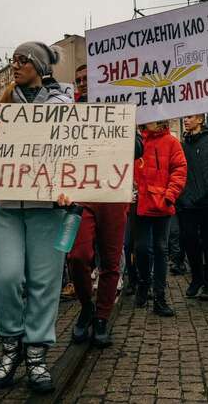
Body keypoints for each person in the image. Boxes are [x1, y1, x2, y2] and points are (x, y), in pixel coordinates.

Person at [0, 42, 72, 394]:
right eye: (12, 60)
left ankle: (35, 353)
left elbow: (76, 153)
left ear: (40, 66)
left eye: (22, 60)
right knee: (3, 275)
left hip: (48, 208)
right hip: (7, 206)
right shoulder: (5, 106)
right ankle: (11, 342)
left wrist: (70, 185)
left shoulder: (64, 104)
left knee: (44, 283)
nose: (14, 66)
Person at [69, 64, 142, 347]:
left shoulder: (120, 108)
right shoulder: (70, 111)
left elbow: (138, 149)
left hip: (113, 192)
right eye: (78, 79)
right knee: (77, 255)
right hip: (82, 191)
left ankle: (101, 318)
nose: (82, 83)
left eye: (86, 78)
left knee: (111, 261)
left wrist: (122, 130)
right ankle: (87, 307)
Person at [133, 120, 187, 316]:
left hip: (161, 203)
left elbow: (179, 170)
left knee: (160, 248)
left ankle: (159, 296)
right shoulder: (135, 141)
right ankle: (144, 282)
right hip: (139, 202)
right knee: (141, 248)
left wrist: (169, 196)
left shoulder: (171, 142)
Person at [177, 113, 208, 300]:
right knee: (189, 241)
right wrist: (181, 195)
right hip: (187, 203)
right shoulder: (182, 146)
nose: (186, 120)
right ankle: (196, 278)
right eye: (185, 117)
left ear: (200, 120)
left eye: (190, 117)